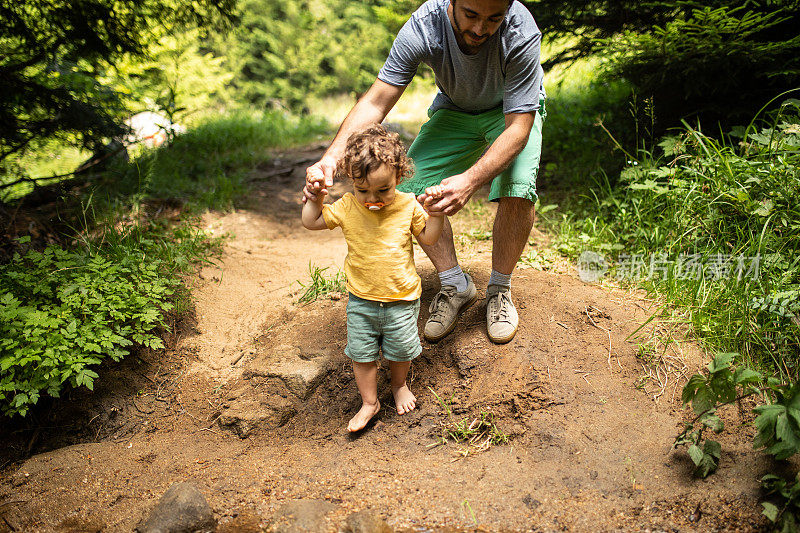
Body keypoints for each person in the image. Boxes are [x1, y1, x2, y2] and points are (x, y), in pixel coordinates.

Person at [304, 0, 546, 344]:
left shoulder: (521, 30)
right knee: (410, 186)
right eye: (471, 15)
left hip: (510, 113)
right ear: (452, 2)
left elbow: (519, 129)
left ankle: (499, 290)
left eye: (493, 18)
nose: (480, 29)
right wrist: (331, 157)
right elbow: (377, 100)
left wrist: (470, 180)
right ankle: (455, 284)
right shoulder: (425, 25)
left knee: (518, 187)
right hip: (454, 110)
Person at [302, 124, 445, 432]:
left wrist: (437, 212)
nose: (373, 200)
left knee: (401, 350)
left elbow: (431, 238)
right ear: (352, 181)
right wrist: (315, 197)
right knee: (362, 354)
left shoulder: (408, 205)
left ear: (399, 177)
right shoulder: (347, 206)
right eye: (363, 190)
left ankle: (398, 385)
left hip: (401, 299)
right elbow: (311, 221)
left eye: (383, 190)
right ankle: (370, 402)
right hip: (362, 300)